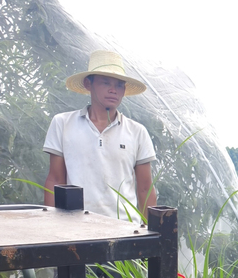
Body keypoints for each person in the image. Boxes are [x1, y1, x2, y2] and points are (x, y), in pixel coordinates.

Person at [42, 50, 157, 221]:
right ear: (89, 84)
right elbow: (56, 179)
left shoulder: (137, 132)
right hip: (76, 228)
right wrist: (51, 229)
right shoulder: (63, 124)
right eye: (105, 83)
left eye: (119, 85)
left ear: (124, 90)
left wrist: (151, 236)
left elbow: (145, 188)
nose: (113, 90)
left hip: (125, 229)